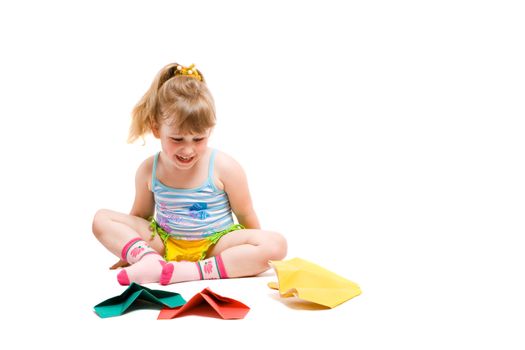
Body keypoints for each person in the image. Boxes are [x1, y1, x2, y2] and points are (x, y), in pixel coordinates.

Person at [92, 63, 287, 286]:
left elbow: (245, 215)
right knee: (101, 219)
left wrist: (253, 254)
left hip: (216, 245)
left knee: (276, 244)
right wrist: (130, 252)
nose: (188, 150)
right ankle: (149, 261)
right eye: (177, 139)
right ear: (156, 129)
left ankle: (191, 271)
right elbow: (139, 217)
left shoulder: (224, 167)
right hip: (165, 243)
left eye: (198, 139)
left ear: (209, 131)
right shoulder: (149, 169)